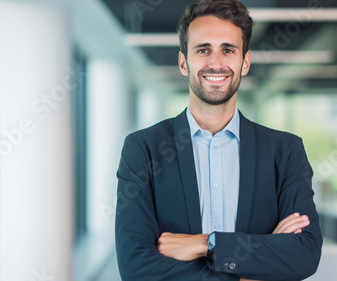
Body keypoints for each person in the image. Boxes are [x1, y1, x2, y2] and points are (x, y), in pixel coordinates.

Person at [115, 0, 322, 280]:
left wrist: (206, 244)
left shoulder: (284, 151)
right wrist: (252, 271)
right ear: (183, 62)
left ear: (245, 61)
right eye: (203, 50)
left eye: (228, 50)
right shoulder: (144, 149)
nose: (215, 63)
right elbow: (136, 268)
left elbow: (304, 254)